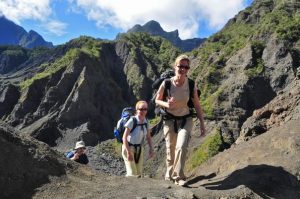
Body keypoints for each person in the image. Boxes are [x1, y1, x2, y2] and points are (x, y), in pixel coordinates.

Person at [155, 54, 206, 186]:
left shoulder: (191, 84)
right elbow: (157, 99)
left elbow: (197, 104)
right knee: (170, 148)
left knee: (181, 146)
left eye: (186, 67)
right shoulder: (166, 83)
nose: (183, 69)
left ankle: (179, 176)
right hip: (170, 119)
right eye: (180, 66)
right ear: (175, 66)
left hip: (186, 119)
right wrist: (167, 105)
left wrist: (202, 122)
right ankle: (169, 174)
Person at [122, 101, 154, 177]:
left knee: (139, 174)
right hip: (129, 148)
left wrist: (151, 149)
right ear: (137, 110)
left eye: (145, 109)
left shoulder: (146, 122)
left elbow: (148, 137)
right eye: (141, 109)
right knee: (132, 173)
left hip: (139, 149)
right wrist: (128, 152)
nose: (143, 111)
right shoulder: (132, 120)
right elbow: (124, 137)